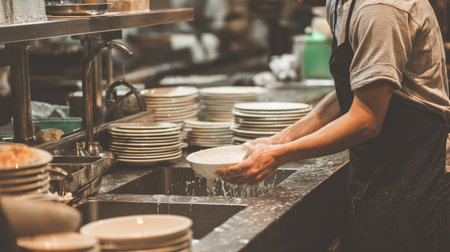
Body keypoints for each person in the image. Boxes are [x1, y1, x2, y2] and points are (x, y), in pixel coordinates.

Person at [216, 0, 450, 251]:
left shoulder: (379, 8)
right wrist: (278, 140)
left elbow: (366, 119)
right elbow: (356, 88)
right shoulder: (340, 4)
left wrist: (275, 157)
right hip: (381, 165)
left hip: (418, 170)